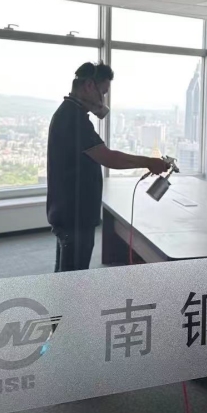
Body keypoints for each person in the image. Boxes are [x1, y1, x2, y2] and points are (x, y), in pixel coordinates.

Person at [46, 61, 170, 272]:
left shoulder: (69, 113)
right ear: (89, 86)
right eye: (102, 92)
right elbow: (109, 158)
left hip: (68, 212)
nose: (102, 100)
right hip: (75, 215)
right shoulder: (74, 119)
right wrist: (149, 162)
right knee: (73, 278)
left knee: (65, 274)